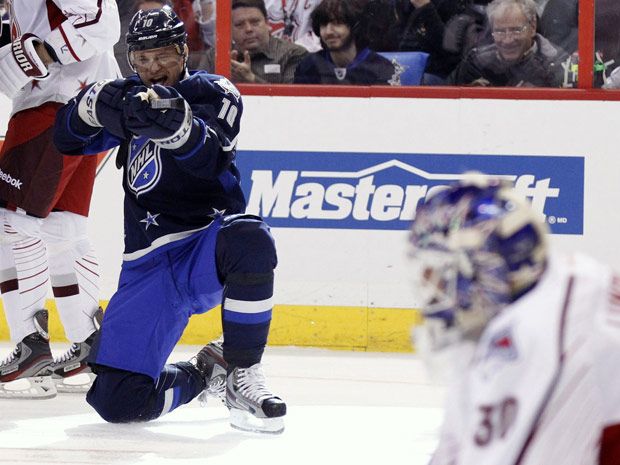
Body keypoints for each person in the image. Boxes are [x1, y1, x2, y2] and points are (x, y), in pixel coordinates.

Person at [53, 6, 286, 433]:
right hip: (148, 266)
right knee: (117, 401)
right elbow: (65, 140)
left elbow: (211, 158)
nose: (152, 68)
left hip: (204, 248)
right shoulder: (130, 102)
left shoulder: (213, 92)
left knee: (250, 235)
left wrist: (177, 128)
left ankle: (241, 372)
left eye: (162, 55)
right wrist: (86, 107)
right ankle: (205, 372)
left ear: (182, 52)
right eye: (141, 59)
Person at [409, 175, 620, 464]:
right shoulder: (563, 281)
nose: (432, 286)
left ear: (488, 270)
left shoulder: (537, 336)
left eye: (444, 270)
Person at [0, 0, 120, 399]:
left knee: (9, 224)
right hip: (83, 102)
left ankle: (30, 348)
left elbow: (103, 22)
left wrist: (34, 55)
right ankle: (91, 344)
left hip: (55, 102)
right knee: (61, 229)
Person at [448, 0, 567, 87]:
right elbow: (447, 101)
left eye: (516, 30)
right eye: (500, 31)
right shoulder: (476, 63)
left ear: (532, 26)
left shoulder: (557, 65)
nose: (507, 40)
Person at [202, 0, 308, 84]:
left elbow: (293, 101)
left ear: (267, 23)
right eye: (239, 24)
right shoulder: (216, 55)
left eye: (255, 22)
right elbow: (196, 91)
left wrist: (251, 80)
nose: (248, 29)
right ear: (230, 30)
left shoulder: (293, 53)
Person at [293, 0, 396, 85]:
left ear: (355, 26)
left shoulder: (381, 68)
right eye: (323, 25)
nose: (328, 31)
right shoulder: (308, 66)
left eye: (338, 23)